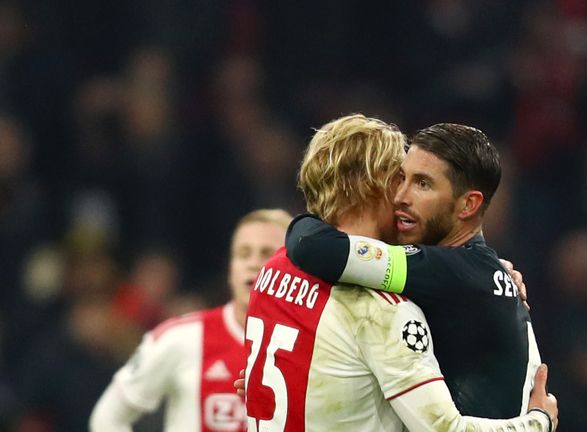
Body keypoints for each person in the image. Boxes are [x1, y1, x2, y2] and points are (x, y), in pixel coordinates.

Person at [244, 114, 557, 431]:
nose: (402, 196)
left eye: (421, 184)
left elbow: (317, 250)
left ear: (468, 205)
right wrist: (539, 422)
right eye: (400, 178)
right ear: (372, 184)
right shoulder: (382, 308)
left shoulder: (274, 269)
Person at [90, 209, 292, 432]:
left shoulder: (318, 344)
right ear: (230, 270)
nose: (252, 264)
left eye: (266, 254)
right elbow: (107, 418)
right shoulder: (182, 337)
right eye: (243, 254)